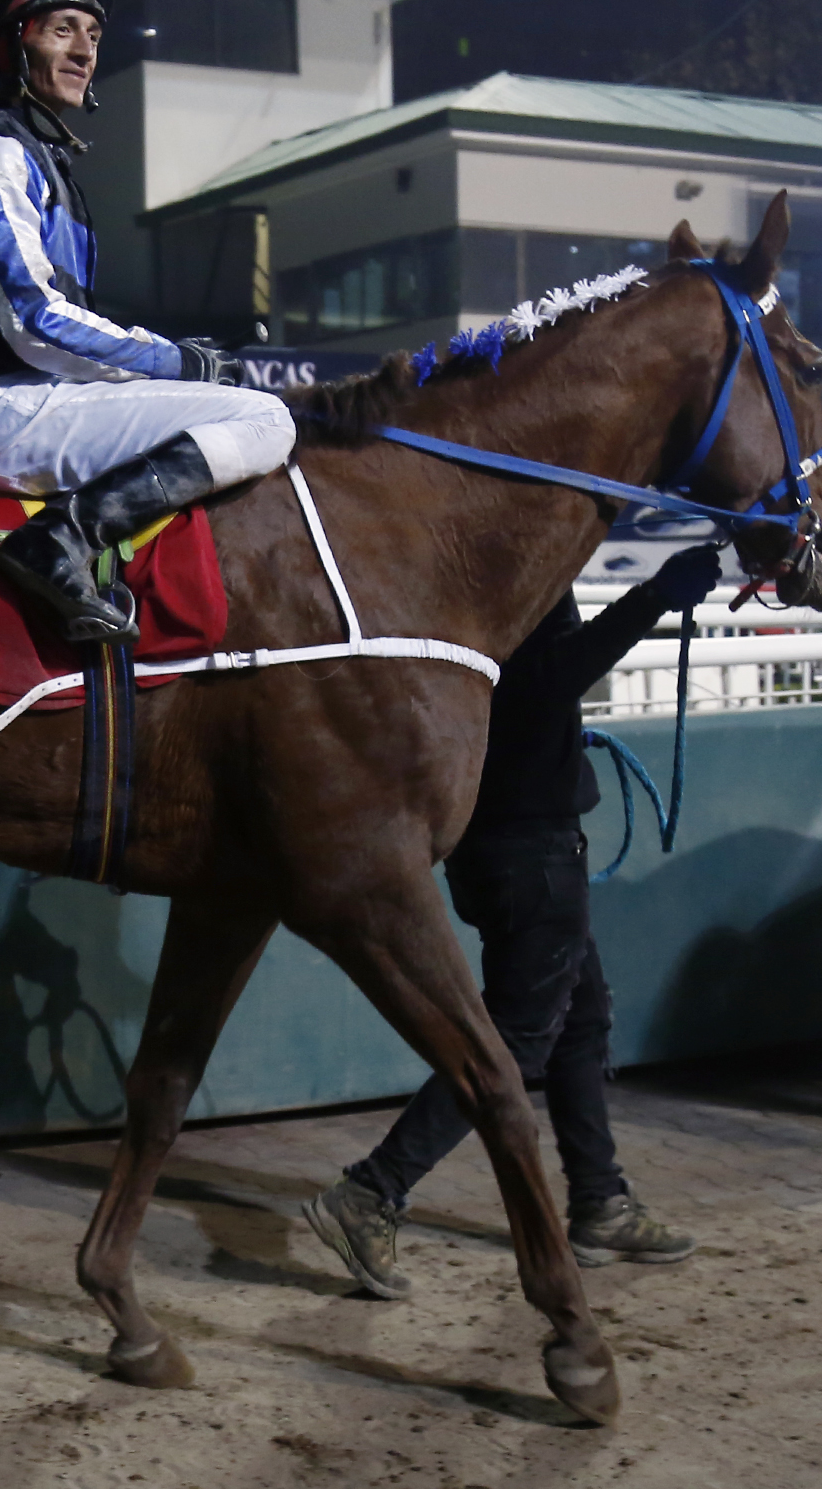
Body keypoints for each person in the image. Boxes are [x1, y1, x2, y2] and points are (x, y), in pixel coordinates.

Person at [306, 545, 726, 1296]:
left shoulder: (470, 564)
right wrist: (655, 596)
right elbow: (548, 682)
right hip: (530, 849)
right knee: (516, 1037)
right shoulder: (518, 568)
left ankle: (599, 1200)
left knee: (580, 1020)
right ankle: (372, 1190)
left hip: (507, 841)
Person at [0, 0, 296, 644]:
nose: (85, 51)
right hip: (4, 405)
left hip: (28, 396)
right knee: (265, 419)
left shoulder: (41, 159)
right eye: (62, 30)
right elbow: (36, 322)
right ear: (11, 47)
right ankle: (58, 543)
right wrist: (176, 361)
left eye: (93, 35)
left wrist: (179, 363)